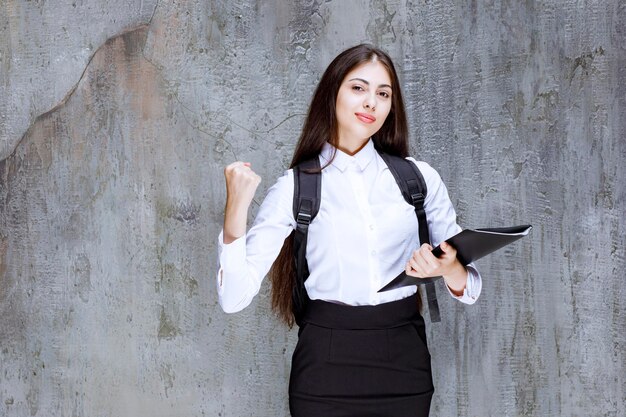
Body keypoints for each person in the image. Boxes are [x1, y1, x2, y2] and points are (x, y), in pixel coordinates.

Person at [216, 44, 482, 417]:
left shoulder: (419, 179)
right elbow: (233, 298)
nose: (371, 102)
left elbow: (469, 287)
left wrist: (447, 268)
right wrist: (236, 209)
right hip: (325, 364)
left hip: (404, 362)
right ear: (333, 94)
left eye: (383, 93)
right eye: (358, 88)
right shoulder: (296, 187)